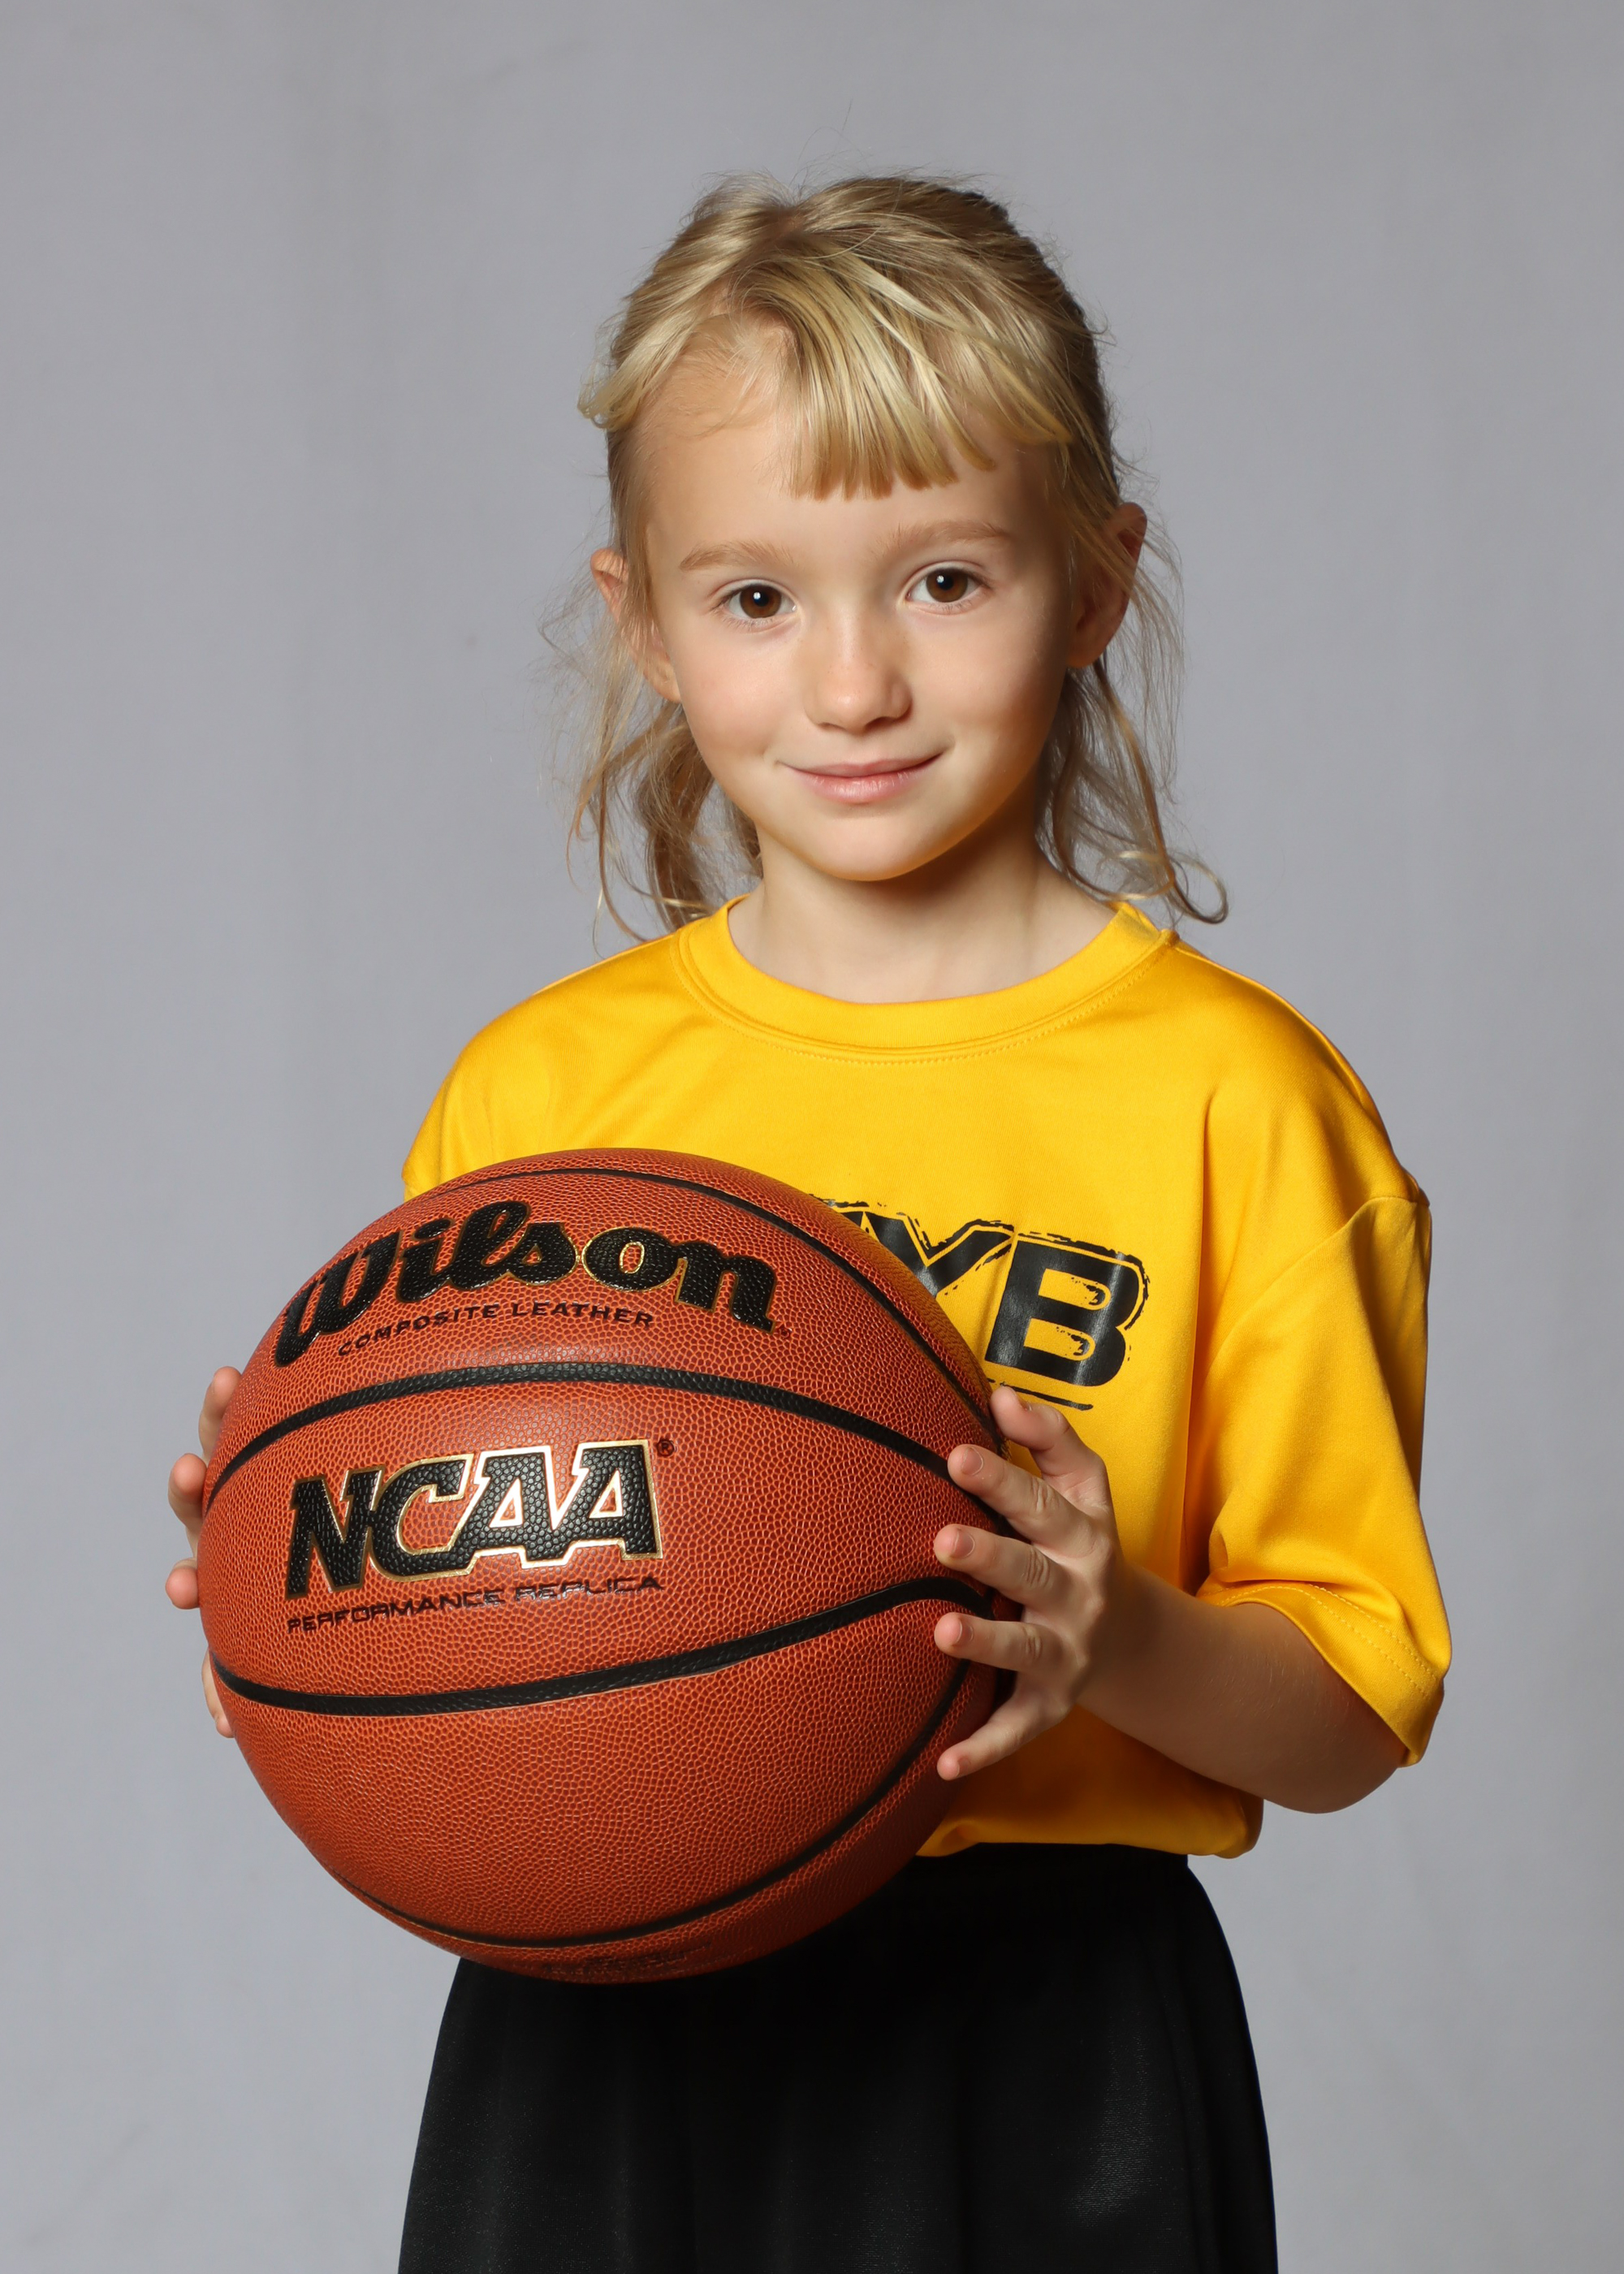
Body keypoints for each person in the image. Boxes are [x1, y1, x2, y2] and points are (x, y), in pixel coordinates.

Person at [166, 176, 1449, 2273]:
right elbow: (467, 1577)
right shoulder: (546, 1097)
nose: (853, 681)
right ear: (645, 622)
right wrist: (312, 1560)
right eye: (757, 597)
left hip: (1043, 2040)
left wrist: (1113, 1630)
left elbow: (1350, 1718)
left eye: (944, 578)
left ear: (1096, 582)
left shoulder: (1240, 1101)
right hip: (603, 2025)